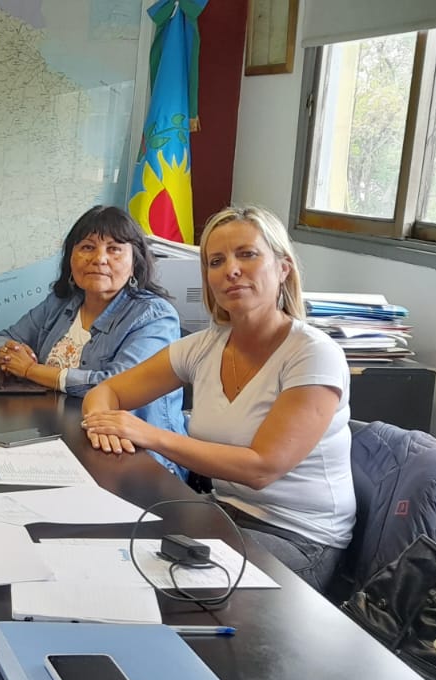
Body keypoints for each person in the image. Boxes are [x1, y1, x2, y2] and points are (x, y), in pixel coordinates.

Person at [79, 206, 353, 592]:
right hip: (224, 514)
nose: (231, 270)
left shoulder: (313, 354)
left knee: (164, 591)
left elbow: (261, 468)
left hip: (298, 537)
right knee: (106, 554)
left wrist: (147, 434)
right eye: (216, 261)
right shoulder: (204, 346)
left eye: (247, 254)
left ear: (283, 268)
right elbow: (106, 391)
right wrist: (102, 425)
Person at [0, 205, 186, 476]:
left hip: (137, 459)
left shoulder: (154, 316)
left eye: (114, 249)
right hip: (61, 437)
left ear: (134, 262)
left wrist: (31, 370)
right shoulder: (60, 303)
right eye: (88, 247)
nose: (99, 259)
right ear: (71, 258)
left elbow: (114, 386)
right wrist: (8, 353)